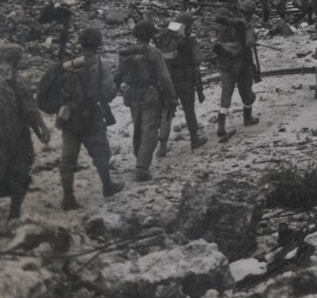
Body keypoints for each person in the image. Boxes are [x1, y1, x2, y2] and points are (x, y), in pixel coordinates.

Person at [57, 27, 123, 209]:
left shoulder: (69, 63)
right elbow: (109, 93)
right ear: (98, 43)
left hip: (69, 116)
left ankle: (68, 197)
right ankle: (107, 186)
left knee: (68, 158)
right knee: (101, 153)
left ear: (82, 42)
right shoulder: (101, 64)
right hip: (91, 116)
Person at [115, 19, 176, 181]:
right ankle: (142, 167)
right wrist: (172, 97)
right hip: (151, 94)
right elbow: (164, 78)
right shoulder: (154, 53)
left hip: (132, 95)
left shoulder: (126, 52)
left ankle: (139, 161)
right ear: (150, 36)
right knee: (149, 130)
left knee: (138, 128)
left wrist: (112, 92)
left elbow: (117, 76)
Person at [0, 41, 50, 222]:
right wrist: (42, 128)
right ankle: (13, 214)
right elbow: (29, 109)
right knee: (20, 173)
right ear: (15, 60)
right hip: (15, 136)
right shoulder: (15, 79)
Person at [156, 12, 208, 155]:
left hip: (168, 81)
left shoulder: (163, 39)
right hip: (186, 80)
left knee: (167, 112)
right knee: (189, 110)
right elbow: (198, 59)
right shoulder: (190, 40)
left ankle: (162, 148)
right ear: (187, 27)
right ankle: (194, 139)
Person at [214, 0, 261, 139]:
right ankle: (247, 118)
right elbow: (249, 43)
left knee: (225, 95)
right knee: (246, 91)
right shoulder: (245, 25)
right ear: (250, 13)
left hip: (226, 64)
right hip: (242, 64)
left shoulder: (226, 24)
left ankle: (221, 126)